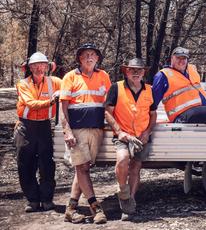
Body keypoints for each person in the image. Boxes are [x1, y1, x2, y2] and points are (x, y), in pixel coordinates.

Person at [60, 43, 111, 224]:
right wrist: (67, 131)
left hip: (97, 129)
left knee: (83, 169)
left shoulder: (104, 76)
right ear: (79, 59)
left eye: (92, 54)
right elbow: (63, 108)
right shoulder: (70, 77)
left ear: (97, 58)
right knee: (81, 168)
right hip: (77, 130)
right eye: (85, 55)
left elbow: (109, 104)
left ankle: (70, 209)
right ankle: (96, 208)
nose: (89, 57)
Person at [104, 58, 156, 221]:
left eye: (139, 70)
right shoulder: (116, 88)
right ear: (126, 71)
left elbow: (153, 114)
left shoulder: (149, 90)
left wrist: (147, 132)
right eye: (132, 70)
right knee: (122, 159)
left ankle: (130, 203)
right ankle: (123, 192)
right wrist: (119, 132)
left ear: (143, 73)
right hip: (123, 136)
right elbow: (107, 112)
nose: (136, 73)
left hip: (141, 137)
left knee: (135, 167)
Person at [14, 52, 61, 213]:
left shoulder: (54, 82)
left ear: (48, 67)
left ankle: (47, 198)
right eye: (36, 65)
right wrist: (52, 101)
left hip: (44, 127)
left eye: (43, 65)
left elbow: (70, 87)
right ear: (30, 67)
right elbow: (31, 103)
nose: (39, 68)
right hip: (26, 127)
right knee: (25, 163)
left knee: (47, 163)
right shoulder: (23, 84)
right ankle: (32, 199)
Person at [152, 47, 206, 125]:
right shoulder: (163, 75)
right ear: (172, 58)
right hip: (181, 115)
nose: (181, 61)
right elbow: (152, 103)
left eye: (184, 58)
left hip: (205, 107)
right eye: (178, 58)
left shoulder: (191, 70)